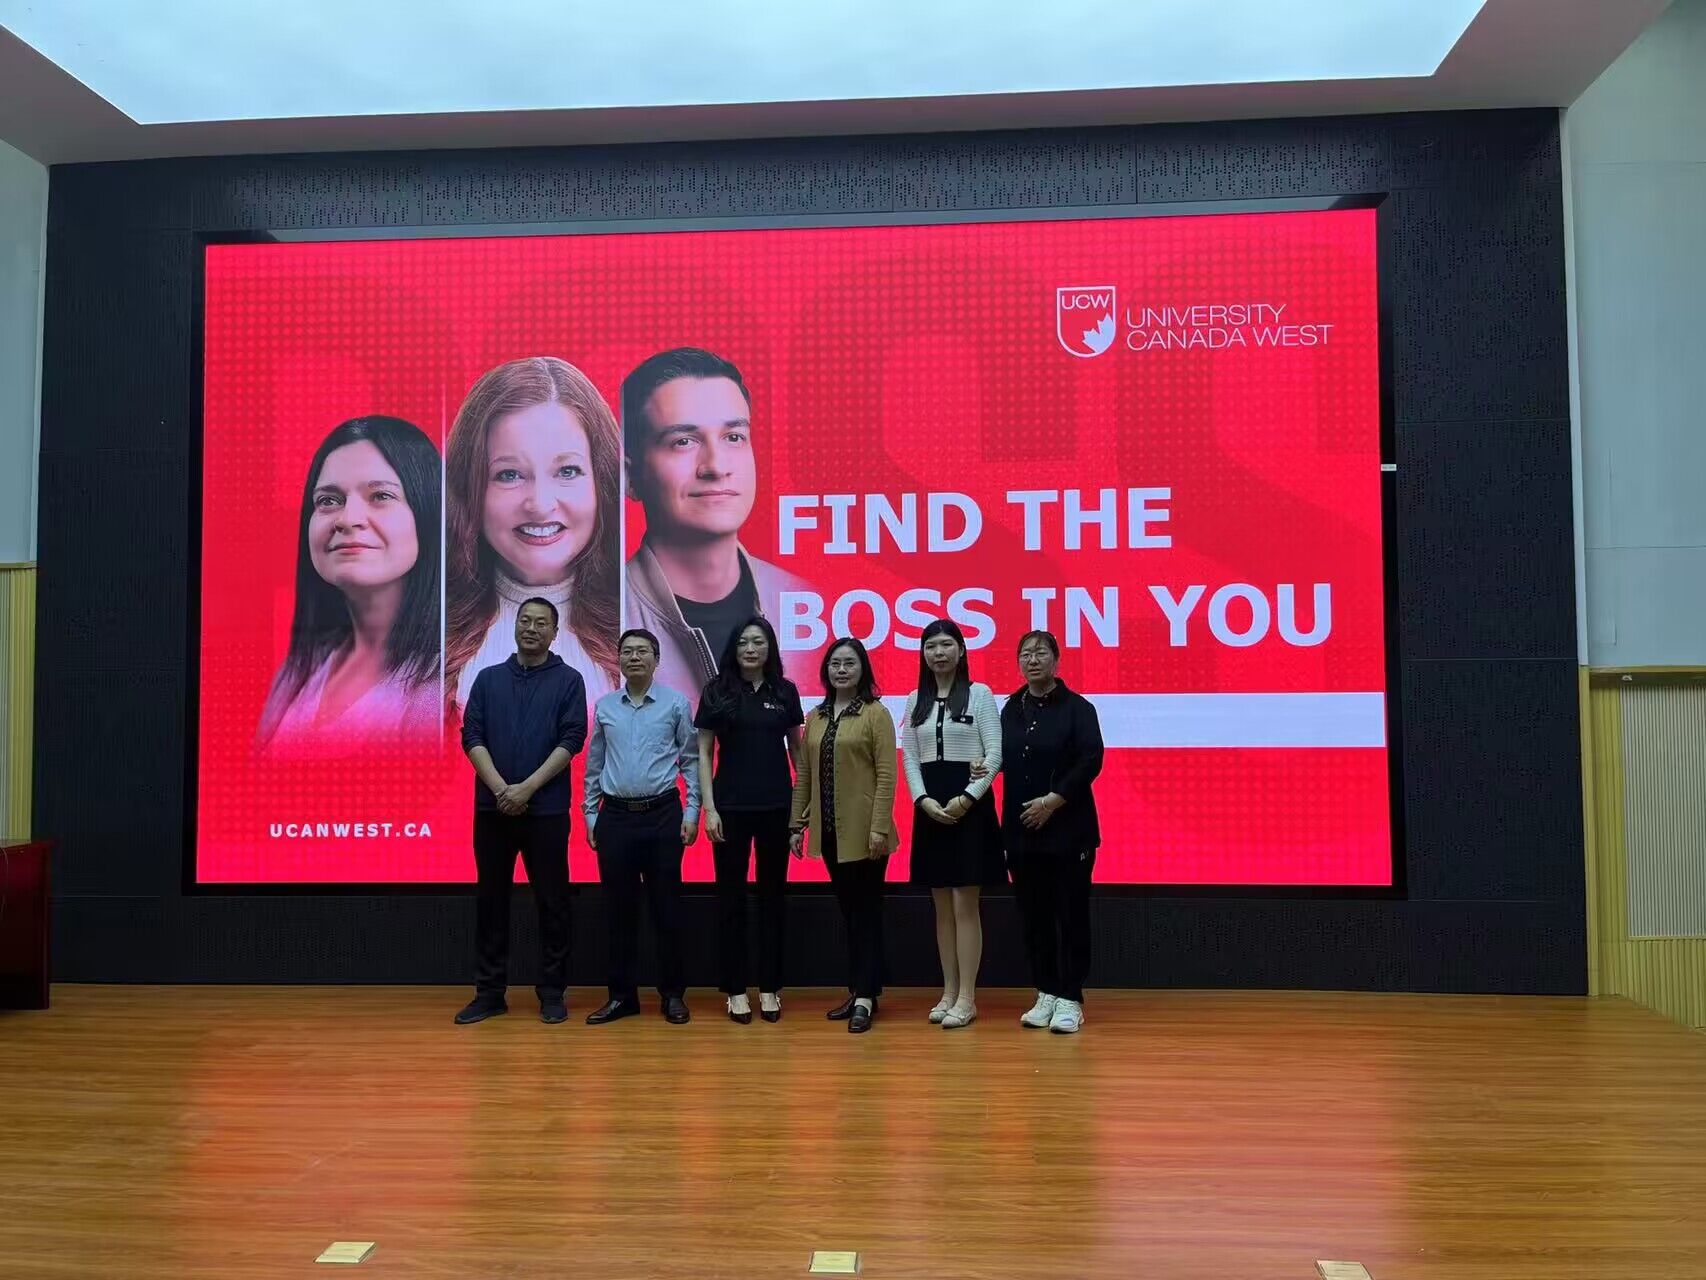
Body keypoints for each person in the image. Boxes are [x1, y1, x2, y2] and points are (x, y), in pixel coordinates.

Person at [620, 347, 812, 702]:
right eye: (683, 442)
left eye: (734, 437)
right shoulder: (603, 616)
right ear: (631, 477)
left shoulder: (803, 600)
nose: (716, 466)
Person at [445, 356, 621, 721]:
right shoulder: (420, 638)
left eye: (567, 471)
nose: (540, 505)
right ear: (468, 488)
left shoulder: (647, 624)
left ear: (602, 482)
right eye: (509, 474)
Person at [256, 415, 441, 756]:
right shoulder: (298, 671)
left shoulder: (447, 688)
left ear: (428, 513)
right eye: (328, 500)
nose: (347, 518)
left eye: (380, 495)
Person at [453, 597, 589, 1026]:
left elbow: (572, 739)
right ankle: (489, 993)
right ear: (515, 627)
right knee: (491, 901)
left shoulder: (569, 681)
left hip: (546, 811)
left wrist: (527, 788)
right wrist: (500, 789)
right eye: (525, 621)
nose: (531, 628)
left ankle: (552, 993)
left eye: (541, 623)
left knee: (553, 903)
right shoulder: (488, 678)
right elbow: (472, 735)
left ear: (555, 632)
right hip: (492, 810)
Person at [583, 628, 701, 1025]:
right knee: (619, 912)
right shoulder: (605, 706)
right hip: (615, 817)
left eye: (642, 651)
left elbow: (690, 761)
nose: (634, 657)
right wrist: (590, 815)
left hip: (663, 815)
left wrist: (692, 812)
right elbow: (594, 765)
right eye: (627, 651)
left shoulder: (676, 704)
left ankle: (673, 996)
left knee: (667, 910)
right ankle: (622, 997)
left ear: (656, 659)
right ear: (618, 659)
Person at [695, 617, 805, 1024]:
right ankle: (736, 990)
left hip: (777, 807)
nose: (751, 649)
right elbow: (704, 753)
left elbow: (797, 752)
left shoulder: (784, 691)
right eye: (743, 642)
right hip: (730, 809)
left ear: (770, 648)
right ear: (734, 648)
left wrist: (801, 810)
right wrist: (709, 808)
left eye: (758, 642)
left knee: (773, 898)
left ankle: (770, 987)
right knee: (731, 900)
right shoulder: (717, 690)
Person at [789, 637, 897, 1034]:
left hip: (867, 834)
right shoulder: (815, 716)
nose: (841, 670)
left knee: (866, 914)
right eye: (835, 663)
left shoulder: (875, 713)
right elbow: (805, 773)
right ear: (826, 671)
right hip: (830, 831)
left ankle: (865, 997)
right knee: (850, 915)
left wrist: (879, 828)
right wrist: (796, 824)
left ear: (862, 669)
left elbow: (887, 775)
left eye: (849, 663)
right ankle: (859, 989)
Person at [900, 618, 1004, 1029]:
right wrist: (922, 800)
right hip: (930, 809)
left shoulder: (980, 694)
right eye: (931, 646)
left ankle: (967, 997)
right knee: (941, 906)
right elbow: (910, 757)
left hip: (970, 809)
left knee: (964, 904)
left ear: (961, 651)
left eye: (946, 645)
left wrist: (967, 798)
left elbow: (994, 755)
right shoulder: (915, 699)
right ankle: (948, 991)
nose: (938, 653)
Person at [1000, 630, 1104, 1035]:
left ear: (1056, 660)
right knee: (1034, 916)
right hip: (1022, 832)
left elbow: (1091, 760)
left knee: (1070, 914)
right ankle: (1045, 990)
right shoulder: (1010, 709)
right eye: (1025, 654)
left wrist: (1052, 801)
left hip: (1069, 830)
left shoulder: (1078, 708)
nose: (1033, 660)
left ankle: (1070, 996)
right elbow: (1003, 756)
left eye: (1040, 653)